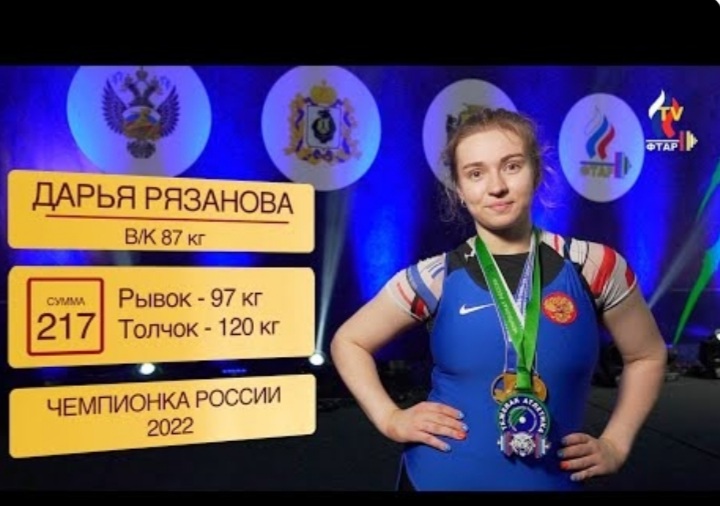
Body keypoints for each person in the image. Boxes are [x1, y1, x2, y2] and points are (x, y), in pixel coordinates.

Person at [329, 107, 667, 491]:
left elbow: (647, 356)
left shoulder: (594, 266)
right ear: (459, 189)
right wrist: (390, 418)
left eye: (511, 166)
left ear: (536, 172)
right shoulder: (435, 277)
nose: (496, 186)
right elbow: (349, 341)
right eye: (476, 173)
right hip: (437, 479)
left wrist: (616, 443)